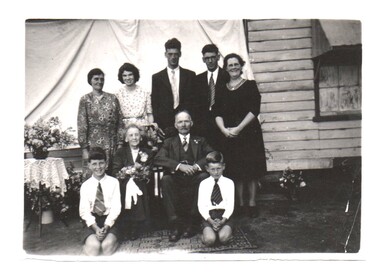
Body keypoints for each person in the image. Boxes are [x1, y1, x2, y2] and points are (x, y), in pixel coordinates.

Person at [214, 53, 267, 218]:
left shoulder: (250, 85)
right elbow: (217, 112)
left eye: (236, 64)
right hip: (230, 135)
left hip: (249, 134)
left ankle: (251, 204)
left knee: (250, 170)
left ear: (241, 65)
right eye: (230, 65)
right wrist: (224, 130)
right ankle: (240, 204)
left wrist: (239, 128)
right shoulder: (222, 88)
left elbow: (254, 109)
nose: (234, 67)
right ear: (226, 68)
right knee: (236, 170)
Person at [153, 110, 214, 242]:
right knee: (166, 179)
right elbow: (158, 158)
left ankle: (192, 223)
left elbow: (211, 155)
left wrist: (196, 166)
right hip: (176, 178)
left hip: (195, 178)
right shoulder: (169, 142)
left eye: (186, 121)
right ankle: (175, 224)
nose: (183, 124)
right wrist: (179, 166)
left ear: (191, 123)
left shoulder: (200, 140)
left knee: (203, 177)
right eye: (180, 122)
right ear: (175, 125)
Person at [77, 68, 123, 177]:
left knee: (113, 175)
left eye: (102, 79)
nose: (99, 82)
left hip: (112, 145)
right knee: (94, 175)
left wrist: (120, 144)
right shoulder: (85, 99)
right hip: (93, 144)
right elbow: (82, 124)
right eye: (96, 79)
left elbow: (120, 122)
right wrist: (84, 149)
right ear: (90, 81)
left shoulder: (112, 98)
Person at [112, 124, 154, 240]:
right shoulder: (121, 152)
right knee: (128, 185)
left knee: (137, 184)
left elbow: (149, 170)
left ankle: (135, 225)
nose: (134, 137)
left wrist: (140, 173)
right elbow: (116, 170)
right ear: (126, 138)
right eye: (131, 135)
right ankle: (127, 224)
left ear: (141, 137)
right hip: (124, 181)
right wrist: (130, 170)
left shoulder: (147, 152)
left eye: (136, 135)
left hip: (141, 181)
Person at [79, 147, 121, 256]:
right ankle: (88, 245)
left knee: (106, 247)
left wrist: (107, 226)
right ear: (89, 165)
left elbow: (116, 208)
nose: (98, 167)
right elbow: (84, 211)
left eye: (101, 163)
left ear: (106, 164)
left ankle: (113, 241)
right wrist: (96, 228)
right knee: (94, 248)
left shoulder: (114, 182)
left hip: (110, 220)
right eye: (94, 164)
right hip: (92, 221)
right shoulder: (85, 186)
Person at [151, 38, 196, 138]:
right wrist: (158, 124)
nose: (173, 57)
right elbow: (155, 102)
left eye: (176, 54)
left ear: (180, 54)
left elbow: (193, 101)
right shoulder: (157, 77)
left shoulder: (190, 75)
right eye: (170, 54)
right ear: (165, 54)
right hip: (165, 125)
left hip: (185, 123)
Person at [192, 44, 229, 150]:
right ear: (203, 59)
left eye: (213, 57)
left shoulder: (226, 76)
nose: (210, 61)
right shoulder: (197, 79)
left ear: (218, 57)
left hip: (223, 124)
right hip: (204, 127)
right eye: (207, 58)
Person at [198, 151, 234, 246]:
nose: (216, 172)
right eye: (212, 169)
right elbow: (201, 206)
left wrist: (223, 220)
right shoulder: (204, 184)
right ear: (207, 169)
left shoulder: (229, 183)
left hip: (225, 215)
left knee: (223, 239)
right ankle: (206, 234)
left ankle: (225, 233)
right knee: (210, 240)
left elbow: (230, 205)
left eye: (218, 168)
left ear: (223, 167)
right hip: (209, 216)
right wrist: (211, 221)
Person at [115, 62, 155, 129]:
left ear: (135, 75)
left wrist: (150, 127)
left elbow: (149, 114)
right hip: (124, 128)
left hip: (142, 127)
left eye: (130, 75)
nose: (127, 78)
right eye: (124, 75)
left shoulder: (145, 92)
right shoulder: (117, 94)